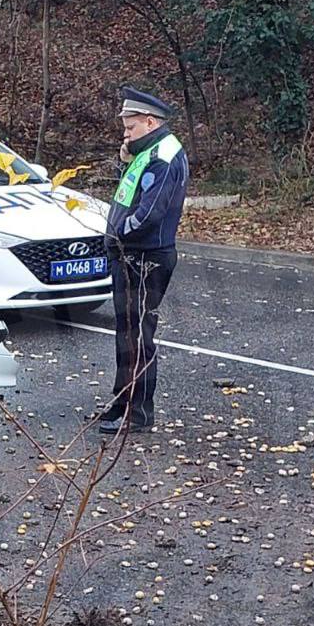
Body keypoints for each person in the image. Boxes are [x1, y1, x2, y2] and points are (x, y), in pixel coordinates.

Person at [97, 86, 188, 435]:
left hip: (144, 258)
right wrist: (125, 160)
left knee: (137, 337)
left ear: (149, 122)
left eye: (130, 128)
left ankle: (138, 412)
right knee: (126, 335)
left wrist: (118, 235)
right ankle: (122, 402)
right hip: (131, 256)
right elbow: (130, 195)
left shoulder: (163, 155)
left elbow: (148, 214)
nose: (125, 133)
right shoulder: (147, 150)